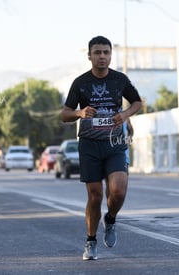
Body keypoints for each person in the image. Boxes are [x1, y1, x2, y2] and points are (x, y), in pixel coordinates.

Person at [61, 36, 142, 260]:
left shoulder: (119, 79)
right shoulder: (80, 83)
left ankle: (111, 219)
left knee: (118, 190)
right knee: (95, 196)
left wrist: (125, 115)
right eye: (97, 52)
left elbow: (137, 102)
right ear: (89, 56)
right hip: (89, 145)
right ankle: (90, 241)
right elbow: (64, 113)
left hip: (115, 143)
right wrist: (79, 112)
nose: (102, 56)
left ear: (111, 55)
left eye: (106, 52)